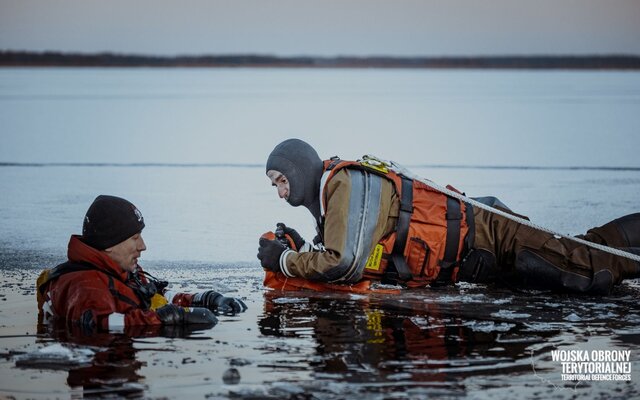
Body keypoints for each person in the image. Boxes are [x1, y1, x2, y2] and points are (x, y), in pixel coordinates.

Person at [257, 138, 640, 294]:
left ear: (300, 169)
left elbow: (345, 263)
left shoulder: (345, 184)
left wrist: (287, 261)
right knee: (579, 257)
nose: (280, 191)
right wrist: (303, 247)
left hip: (490, 235)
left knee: (588, 269)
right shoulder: (334, 201)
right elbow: (348, 250)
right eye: (275, 185)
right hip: (474, 258)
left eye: (281, 179)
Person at [38, 195, 247, 333]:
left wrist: (206, 299)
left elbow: (154, 297)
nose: (143, 246)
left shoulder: (121, 270)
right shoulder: (85, 286)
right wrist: (172, 319)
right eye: (135, 237)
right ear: (110, 243)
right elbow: (99, 324)